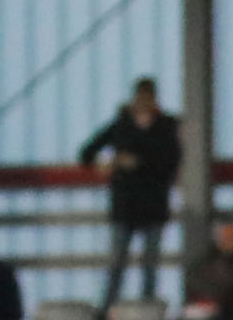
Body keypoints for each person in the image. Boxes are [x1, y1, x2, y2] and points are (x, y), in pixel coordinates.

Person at [78, 76, 183, 305]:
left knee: (149, 266)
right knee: (117, 264)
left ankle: (144, 314)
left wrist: (136, 163)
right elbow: (86, 153)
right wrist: (108, 164)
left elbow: (171, 162)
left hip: (152, 205)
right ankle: (107, 311)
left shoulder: (166, 127)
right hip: (126, 205)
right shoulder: (122, 125)